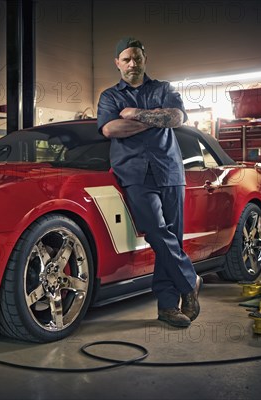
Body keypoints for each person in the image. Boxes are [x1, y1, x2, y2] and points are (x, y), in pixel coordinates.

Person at [97, 37, 202, 328]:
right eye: (126, 59)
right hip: (134, 174)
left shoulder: (164, 89)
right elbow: (111, 129)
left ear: (145, 59)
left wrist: (135, 116)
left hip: (169, 171)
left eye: (137, 58)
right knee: (157, 232)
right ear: (117, 62)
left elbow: (177, 117)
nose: (132, 64)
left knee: (173, 240)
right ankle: (190, 279)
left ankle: (168, 307)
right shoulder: (109, 97)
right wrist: (156, 119)